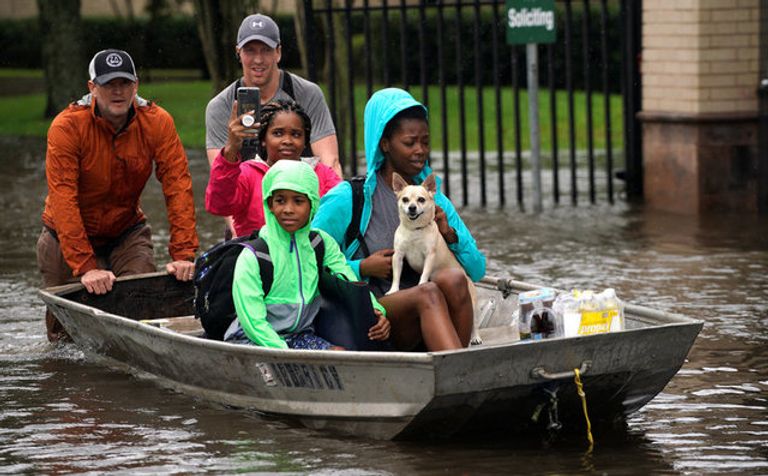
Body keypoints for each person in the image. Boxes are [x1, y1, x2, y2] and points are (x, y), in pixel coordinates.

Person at [37, 49, 199, 342]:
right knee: (62, 341)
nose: (118, 91)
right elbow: (63, 199)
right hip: (63, 237)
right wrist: (86, 267)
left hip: (126, 232)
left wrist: (184, 253)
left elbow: (178, 186)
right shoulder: (67, 126)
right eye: (109, 84)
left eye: (124, 83)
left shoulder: (158, 121)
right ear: (92, 88)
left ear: (136, 85)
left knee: (143, 314)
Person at [312, 88, 486, 352]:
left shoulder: (433, 200)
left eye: (425, 142)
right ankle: (458, 374)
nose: (420, 151)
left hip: (430, 313)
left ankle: (451, 366)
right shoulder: (349, 197)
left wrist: (449, 236)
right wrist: (362, 268)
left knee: (453, 279)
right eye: (410, 142)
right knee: (428, 293)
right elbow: (307, 258)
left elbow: (477, 270)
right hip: (374, 315)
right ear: (384, 144)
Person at [224, 160, 389, 350]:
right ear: (269, 204)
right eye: (280, 200)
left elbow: (349, 280)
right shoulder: (255, 255)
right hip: (251, 339)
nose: (288, 209)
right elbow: (252, 322)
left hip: (298, 336)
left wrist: (376, 310)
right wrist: (285, 354)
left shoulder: (320, 243)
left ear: (312, 204)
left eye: (298, 201)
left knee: (339, 355)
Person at [205, 13, 341, 177]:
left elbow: (330, 163)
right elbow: (220, 179)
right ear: (238, 53)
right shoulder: (221, 106)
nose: (258, 60)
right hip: (247, 197)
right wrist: (232, 146)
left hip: (301, 192)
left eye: (266, 50)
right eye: (250, 51)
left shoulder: (307, 94)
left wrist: (335, 200)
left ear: (278, 52)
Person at [205, 99, 340, 238]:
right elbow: (218, 205)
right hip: (255, 256)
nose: (287, 141)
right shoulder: (248, 173)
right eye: (278, 133)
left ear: (305, 142)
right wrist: (231, 149)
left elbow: (343, 214)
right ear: (263, 139)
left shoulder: (322, 175)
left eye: (296, 134)